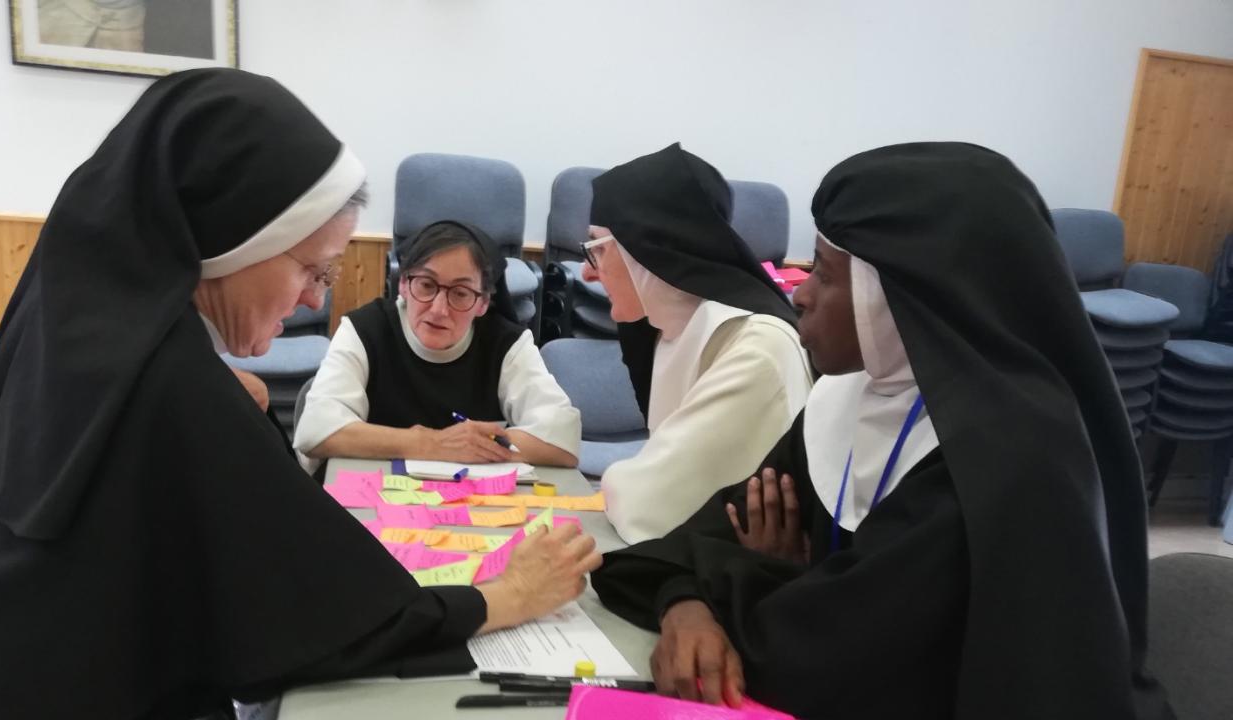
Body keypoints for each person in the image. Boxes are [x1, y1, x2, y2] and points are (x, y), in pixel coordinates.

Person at [0, 69, 600, 720]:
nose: (310, 297)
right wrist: (503, 597)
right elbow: (320, 619)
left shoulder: (76, 308)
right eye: (313, 269)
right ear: (233, 239)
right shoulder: (172, 384)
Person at [589, 143, 1171, 719]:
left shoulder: (1002, 461)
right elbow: (683, 548)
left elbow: (825, 660)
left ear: (903, 296)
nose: (799, 292)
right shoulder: (849, 396)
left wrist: (761, 579)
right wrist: (688, 602)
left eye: (826, 271)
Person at [581, 144, 813, 543]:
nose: (586, 272)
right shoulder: (675, 328)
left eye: (597, 250)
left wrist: (623, 479)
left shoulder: (756, 348)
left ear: (645, 249)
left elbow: (651, 504)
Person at [296, 220, 580, 473]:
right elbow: (317, 431)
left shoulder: (506, 344)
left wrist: (467, 444)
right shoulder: (365, 330)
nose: (438, 309)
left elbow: (562, 440)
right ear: (404, 285)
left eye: (460, 293)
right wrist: (434, 444)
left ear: (482, 302)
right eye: (426, 285)